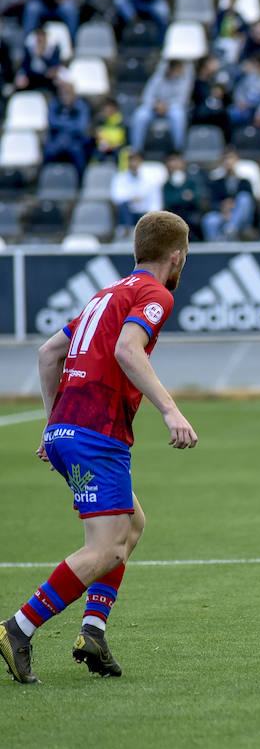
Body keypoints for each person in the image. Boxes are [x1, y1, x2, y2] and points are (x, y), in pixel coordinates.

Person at [1, 212, 197, 686]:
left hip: (70, 431)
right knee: (104, 548)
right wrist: (171, 410)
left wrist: (54, 426)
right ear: (176, 256)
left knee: (132, 523)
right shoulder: (155, 293)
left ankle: (93, 632)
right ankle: (17, 629)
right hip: (97, 432)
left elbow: (49, 353)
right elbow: (128, 350)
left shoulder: (106, 294)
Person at [130, 59, 192, 154]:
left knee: (179, 115)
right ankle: (137, 150)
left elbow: (182, 100)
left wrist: (167, 106)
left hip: (172, 108)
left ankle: (178, 150)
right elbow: (147, 96)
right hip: (154, 108)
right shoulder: (157, 78)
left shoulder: (183, 80)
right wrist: (155, 105)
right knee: (140, 116)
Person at [44, 81, 92, 175]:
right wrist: (70, 125)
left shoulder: (81, 106)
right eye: (63, 92)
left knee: (79, 153)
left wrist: (62, 125)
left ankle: (80, 182)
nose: (65, 95)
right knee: (48, 151)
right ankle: (46, 179)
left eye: (68, 92)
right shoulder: (54, 105)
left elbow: (81, 127)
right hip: (57, 140)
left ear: (74, 93)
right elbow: (51, 122)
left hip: (75, 141)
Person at [110, 152, 164, 235]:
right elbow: (116, 197)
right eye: (130, 161)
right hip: (128, 213)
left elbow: (156, 201)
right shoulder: (119, 178)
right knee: (123, 206)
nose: (133, 164)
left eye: (136, 160)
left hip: (144, 212)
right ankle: (127, 230)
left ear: (141, 161)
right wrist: (131, 197)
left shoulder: (151, 178)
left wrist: (152, 217)